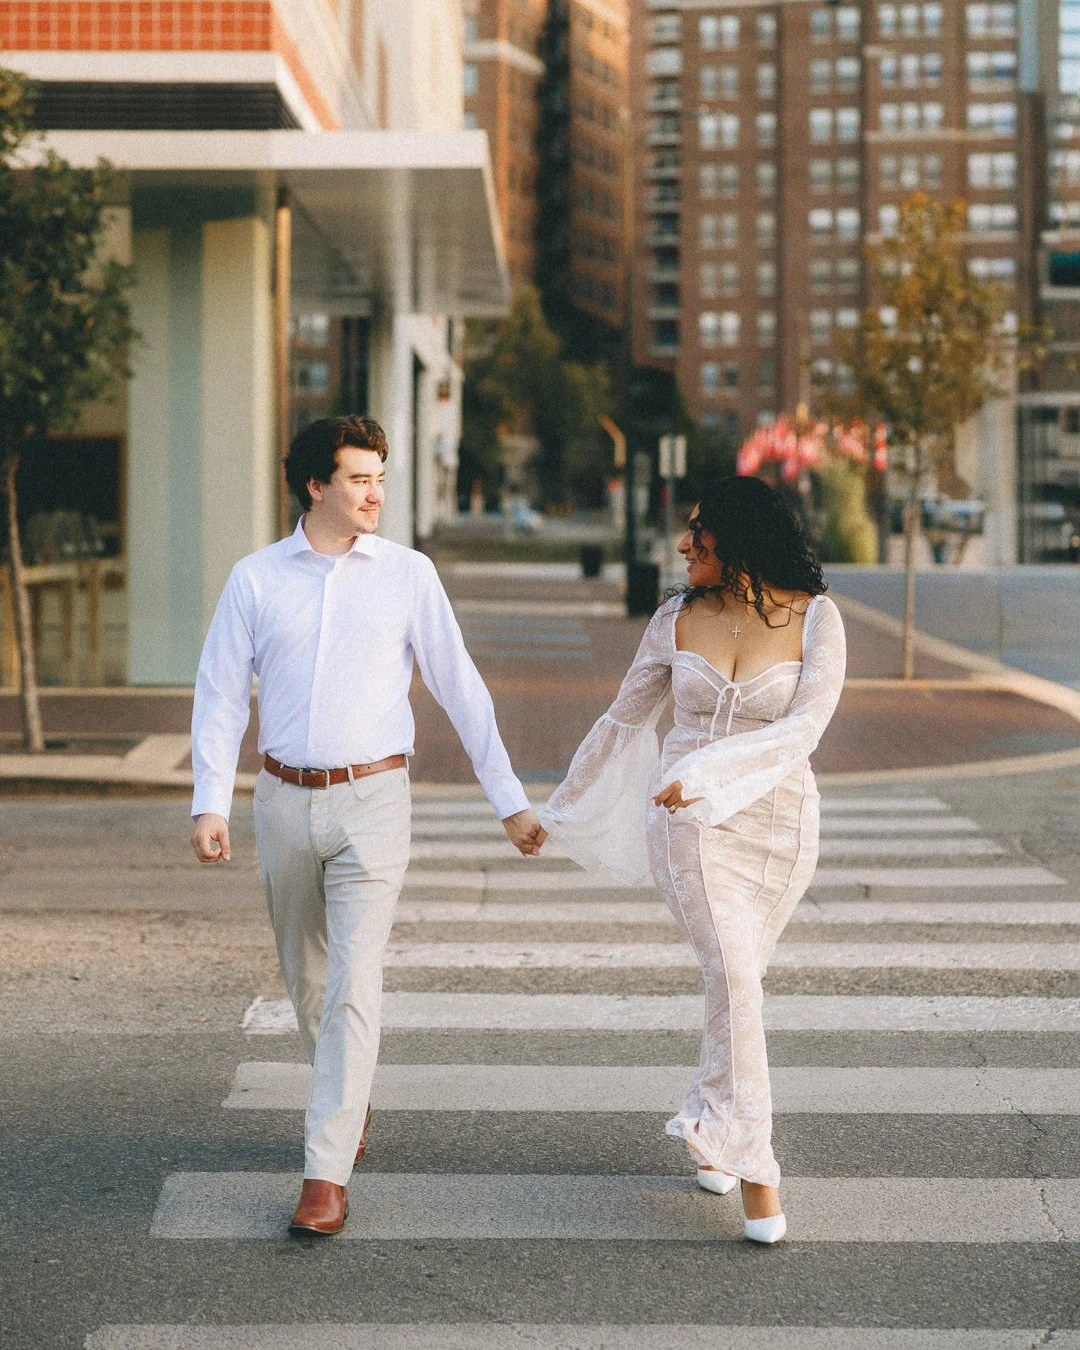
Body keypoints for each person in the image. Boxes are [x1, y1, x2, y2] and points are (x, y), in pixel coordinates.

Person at [190, 415, 542, 1236]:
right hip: (282, 801)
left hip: (374, 799)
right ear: (316, 485)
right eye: (359, 478)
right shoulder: (255, 579)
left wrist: (510, 799)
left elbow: (460, 686)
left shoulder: (409, 576)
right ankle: (346, 1096)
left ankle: (325, 1174)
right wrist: (210, 800)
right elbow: (220, 692)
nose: (376, 493)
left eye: (380, 477)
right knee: (309, 983)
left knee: (354, 979)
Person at [536, 475, 846, 1243]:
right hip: (685, 821)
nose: (682, 545)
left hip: (778, 824)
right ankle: (758, 1172)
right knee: (737, 978)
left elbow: (803, 731)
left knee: (733, 980)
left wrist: (713, 770)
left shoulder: (817, 618)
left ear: (738, 538)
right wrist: (560, 807)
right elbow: (624, 719)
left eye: (698, 531)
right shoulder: (675, 617)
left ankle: (711, 1125)